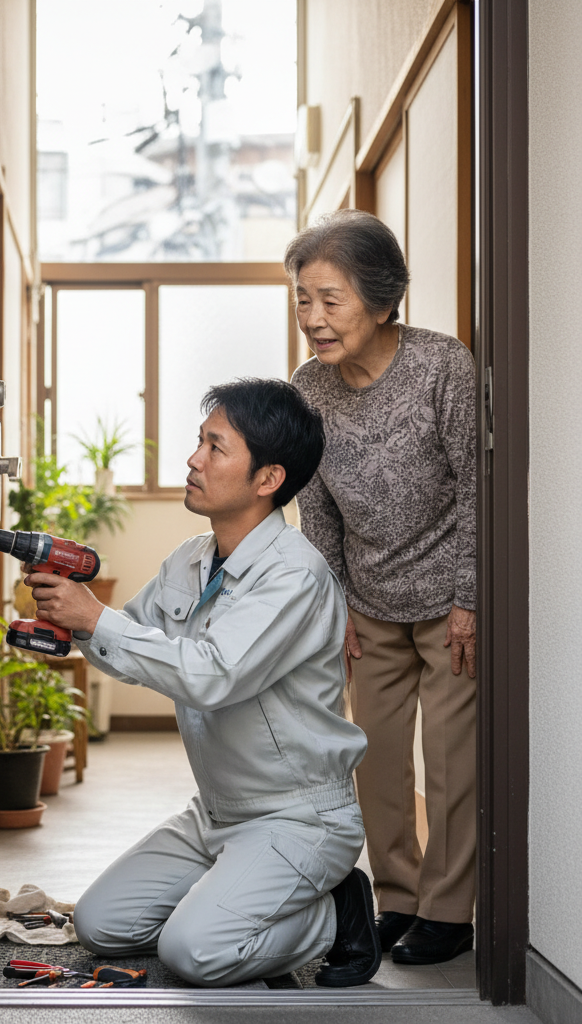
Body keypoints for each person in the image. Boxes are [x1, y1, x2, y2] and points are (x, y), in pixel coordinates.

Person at [24, 378, 379, 988]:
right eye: (199, 442)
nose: (192, 460)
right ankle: (235, 895)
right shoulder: (190, 559)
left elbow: (214, 675)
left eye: (215, 448)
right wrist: (72, 625)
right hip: (216, 813)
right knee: (99, 924)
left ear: (268, 479)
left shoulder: (294, 575)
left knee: (194, 954)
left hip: (297, 817)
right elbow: (125, 644)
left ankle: (334, 913)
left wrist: (96, 618)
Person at [287, 209, 477, 967]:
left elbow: (476, 490)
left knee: (456, 761)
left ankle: (450, 910)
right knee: (376, 757)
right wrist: (336, 602)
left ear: (382, 296)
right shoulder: (308, 387)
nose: (313, 320)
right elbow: (317, 507)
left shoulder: (443, 366)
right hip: (368, 601)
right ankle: (398, 896)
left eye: (330, 301)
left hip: (449, 602)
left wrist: (469, 596)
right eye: (303, 300)